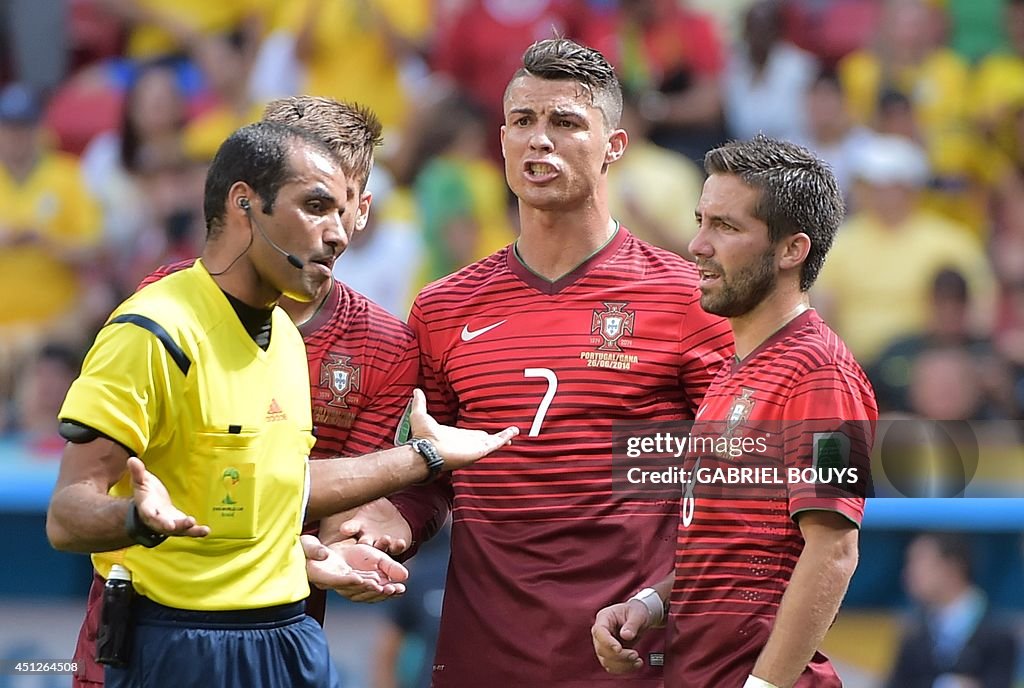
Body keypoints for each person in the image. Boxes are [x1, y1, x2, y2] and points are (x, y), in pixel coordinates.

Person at [46, 121, 518, 688]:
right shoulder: (154, 328)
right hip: (177, 640)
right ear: (245, 203)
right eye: (316, 206)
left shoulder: (287, 340)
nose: (338, 232)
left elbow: (277, 491)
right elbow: (66, 515)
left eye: (345, 212)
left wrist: (331, 538)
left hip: (289, 636)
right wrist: (134, 518)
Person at [341, 38, 734, 687]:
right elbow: (426, 476)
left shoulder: (688, 299)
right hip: (483, 659)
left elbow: (740, 487)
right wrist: (382, 528)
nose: (539, 140)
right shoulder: (442, 309)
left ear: (615, 147)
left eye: (566, 122)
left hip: (636, 662)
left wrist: (661, 600)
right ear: (500, 141)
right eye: (523, 121)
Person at [591, 134, 877, 688]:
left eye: (725, 226)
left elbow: (834, 550)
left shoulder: (821, 373)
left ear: (792, 250)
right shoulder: (733, 371)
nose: (698, 244)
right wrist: (652, 604)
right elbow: (740, 548)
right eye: (700, 220)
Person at [885, 532, 1018, 688]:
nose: (908, 574)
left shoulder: (999, 635)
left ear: (951, 567)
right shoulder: (913, 636)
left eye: (919, 562)